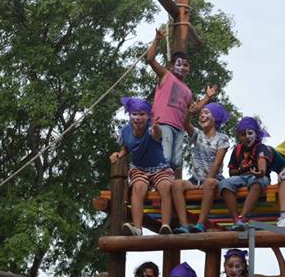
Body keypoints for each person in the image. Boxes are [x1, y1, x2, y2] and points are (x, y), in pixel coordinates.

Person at [144, 28, 218, 172]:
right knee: (164, 157)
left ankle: (165, 181)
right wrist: (157, 39)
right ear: (171, 66)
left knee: (175, 161)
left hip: (178, 128)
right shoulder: (166, 75)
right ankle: (157, 181)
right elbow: (150, 59)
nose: (183, 67)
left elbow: (194, 109)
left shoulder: (187, 91)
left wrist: (207, 97)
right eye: (179, 64)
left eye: (186, 65)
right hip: (163, 123)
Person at [110, 97, 176, 236]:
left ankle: (165, 225)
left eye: (142, 114)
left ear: (147, 116)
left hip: (159, 167)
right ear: (129, 115)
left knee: (165, 186)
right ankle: (138, 228)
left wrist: (157, 126)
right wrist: (120, 153)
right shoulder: (125, 131)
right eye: (135, 114)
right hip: (139, 168)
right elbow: (126, 147)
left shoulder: (151, 128)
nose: (138, 118)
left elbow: (156, 135)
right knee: (138, 187)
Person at [167, 102, 231, 234]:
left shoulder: (222, 139)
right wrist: (189, 112)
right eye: (201, 114)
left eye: (206, 113)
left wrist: (207, 179)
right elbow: (185, 124)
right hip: (195, 180)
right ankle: (184, 225)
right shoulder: (198, 134)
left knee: (209, 182)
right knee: (176, 184)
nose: (202, 116)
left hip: (213, 179)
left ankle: (200, 224)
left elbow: (217, 163)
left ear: (215, 118)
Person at [219, 117, 274, 231]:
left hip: (259, 177)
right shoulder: (237, 149)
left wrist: (260, 172)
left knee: (257, 182)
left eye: (250, 133)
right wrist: (246, 169)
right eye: (244, 134)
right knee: (224, 184)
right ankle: (236, 219)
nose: (247, 136)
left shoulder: (260, 147)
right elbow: (231, 172)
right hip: (242, 178)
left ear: (256, 134)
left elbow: (262, 163)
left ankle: (242, 217)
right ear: (239, 136)